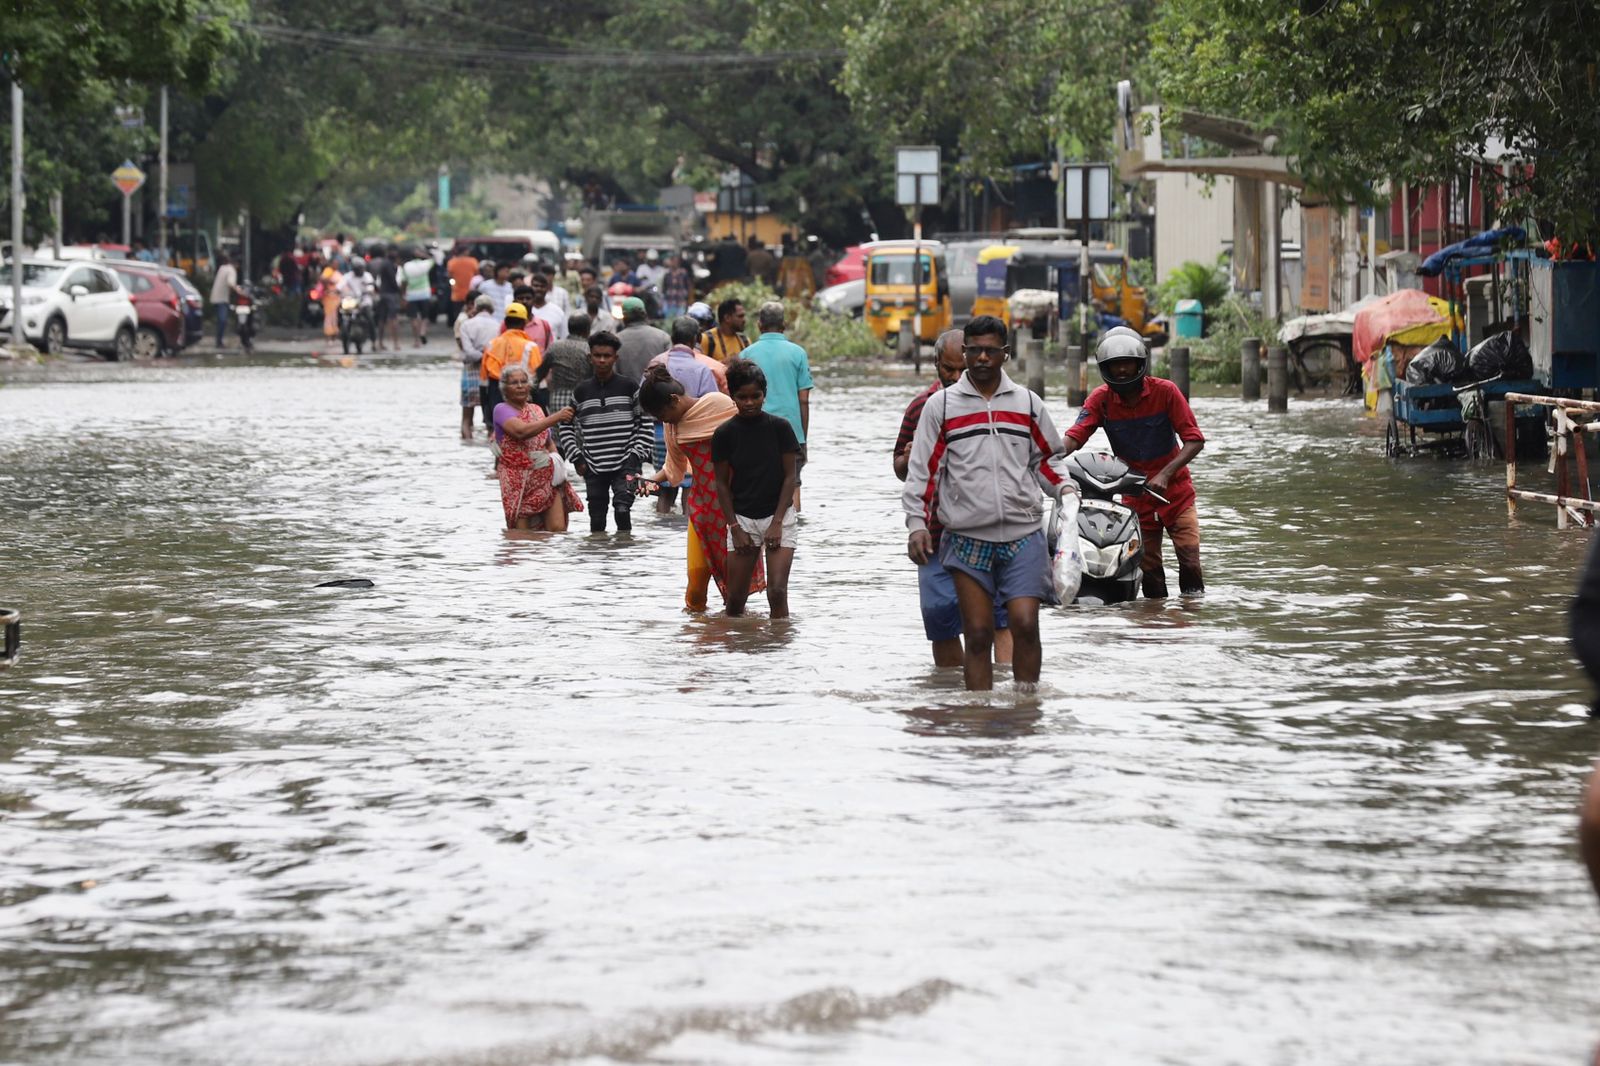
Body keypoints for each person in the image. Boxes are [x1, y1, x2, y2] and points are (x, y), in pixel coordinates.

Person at [901, 315, 1072, 692]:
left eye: (990, 351)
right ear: (965, 353)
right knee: (977, 632)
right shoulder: (940, 407)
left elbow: (1047, 459)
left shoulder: (1028, 403)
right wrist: (916, 524)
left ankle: (1026, 707)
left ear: (1005, 354)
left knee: (1025, 623)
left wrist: (1066, 490)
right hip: (964, 537)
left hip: (1023, 533)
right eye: (974, 350)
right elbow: (923, 472)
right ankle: (977, 716)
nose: (981, 358)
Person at [894, 331, 1014, 668]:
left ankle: (1010, 696)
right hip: (935, 532)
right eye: (948, 369)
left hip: (992, 527)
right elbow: (901, 469)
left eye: (962, 369)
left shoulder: (1003, 403)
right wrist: (908, 458)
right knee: (940, 616)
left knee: (1001, 615)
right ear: (936, 366)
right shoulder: (921, 408)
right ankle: (952, 696)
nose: (955, 377)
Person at [1060, 327, 1206, 598]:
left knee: (1190, 564)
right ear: (1106, 369)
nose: (1123, 370)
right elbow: (1075, 436)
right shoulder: (1100, 400)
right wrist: (1048, 455)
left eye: (1127, 363)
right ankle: (1153, 624)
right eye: (1115, 365)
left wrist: (1165, 474)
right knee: (1149, 572)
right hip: (1136, 498)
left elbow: (1194, 440)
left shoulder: (1166, 392)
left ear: (1140, 364)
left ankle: (1191, 623)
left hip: (1177, 494)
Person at [638, 367, 763, 613]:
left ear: (674, 399)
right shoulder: (673, 428)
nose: (663, 420)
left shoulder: (717, 404)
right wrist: (651, 480)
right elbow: (674, 468)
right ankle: (698, 638)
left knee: (735, 592)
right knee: (695, 590)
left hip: (736, 510)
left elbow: (752, 435)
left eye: (662, 413)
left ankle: (735, 641)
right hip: (702, 512)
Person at [712, 360, 801, 618]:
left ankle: (780, 647)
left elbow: (789, 478)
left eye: (755, 396)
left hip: (780, 516)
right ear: (732, 396)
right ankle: (737, 650)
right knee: (736, 599)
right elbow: (721, 483)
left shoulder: (780, 428)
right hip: (742, 519)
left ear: (764, 395)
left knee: (777, 592)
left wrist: (777, 522)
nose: (749, 402)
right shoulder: (724, 434)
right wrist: (735, 528)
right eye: (742, 397)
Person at [558, 329, 653, 534]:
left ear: (615, 358)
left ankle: (624, 558)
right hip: (593, 465)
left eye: (607, 356)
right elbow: (565, 425)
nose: (602, 360)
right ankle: (599, 561)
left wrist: (636, 455)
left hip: (625, 463)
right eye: (597, 356)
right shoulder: (581, 392)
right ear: (589, 357)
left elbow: (645, 423)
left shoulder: (629, 387)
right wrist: (576, 457)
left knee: (622, 509)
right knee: (597, 520)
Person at [492, 364, 581, 531]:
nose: (520, 386)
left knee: (557, 531)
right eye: (514, 383)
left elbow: (547, 441)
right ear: (504, 388)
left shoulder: (536, 409)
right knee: (521, 537)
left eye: (523, 381)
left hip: (545, 477)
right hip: (517, 481)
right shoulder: (501, 409)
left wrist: (557, 464)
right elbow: (521, 432)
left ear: (530, 385)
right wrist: (556, 417)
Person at [742, 301, 813, 509]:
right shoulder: (798, 353)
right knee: (793, 483)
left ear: (759, 325)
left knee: (756, 483)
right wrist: (803, 437)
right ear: (784, 324)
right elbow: (804, 399)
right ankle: (792, 534)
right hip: (791, 430)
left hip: (753, 430)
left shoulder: (746, 354)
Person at [481, 303, 543, 442]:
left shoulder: (491, 344)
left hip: (495, 400)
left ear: (506, 322)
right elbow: (537, 383)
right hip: (522, 402)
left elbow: (483, 382)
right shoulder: (530, 346)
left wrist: (486, 415)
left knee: (498, 445)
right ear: (524, 323)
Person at [458, 295, 500, 440]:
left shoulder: (467, 325)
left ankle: (467, 444)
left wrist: (480, 356)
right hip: (491, 373)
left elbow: (468, 352)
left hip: (470, 371)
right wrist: (487, 357)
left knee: (466, 418)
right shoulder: (498, 325)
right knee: (492, 419)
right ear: (492, 309)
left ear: (476, 307)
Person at [540, 311, 595, 413]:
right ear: (587, 330)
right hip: (584, 399)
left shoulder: (555, 347)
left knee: (559, 428)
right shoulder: (589, 350)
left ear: (569, 328)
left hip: (557, 400)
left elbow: (539, 374)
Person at [615, 296, 670, 382]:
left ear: (624, 317)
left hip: (625, 394)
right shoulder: (663, 337)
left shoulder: (615, 340)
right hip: (656, 392)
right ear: (645, 314)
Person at [701, 298, 749, 365]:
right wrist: (723, 363)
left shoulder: (745, 341)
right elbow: (699, 368)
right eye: (740, 316)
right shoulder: (707, 339)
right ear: (727, 318)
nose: (744, 320)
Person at [402, 246, 434, 346]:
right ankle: (422, 332)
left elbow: (404, 281)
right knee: (424, 317)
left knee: (413, 318)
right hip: (424, 294)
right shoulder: (424, 264)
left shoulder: (406, 266)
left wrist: (403, 295)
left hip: (411, 295)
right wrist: (423, 254)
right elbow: (433, 260)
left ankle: (416, 341)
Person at [371, 247, 402, 352]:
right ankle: (395, 343)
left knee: (382, 319)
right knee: (393, 319)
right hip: (390, 294)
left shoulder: (383, 264)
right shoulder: (389, 265)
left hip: (383, 293)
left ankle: (379, 343)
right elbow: (393, 280)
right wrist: (399, 291)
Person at [526, 272, 568, 346]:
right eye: (536, 286)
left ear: (547, 288)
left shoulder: (557, 311)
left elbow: (564, 337)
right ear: (530, 287)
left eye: (542, 286)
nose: (539, 289)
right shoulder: (524, 310)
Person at [209, 253, 239, 348]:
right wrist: (239, 290)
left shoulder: (222, 268)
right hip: (222, 299)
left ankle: (219, 340)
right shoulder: (231, 270)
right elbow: (230, 283)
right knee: (222, 320)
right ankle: (219, 342)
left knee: (220, 320)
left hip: (215, 297)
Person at [447, 245, 479, 322]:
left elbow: (449, 276)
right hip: (471, 293)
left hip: (457, 293)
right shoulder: (473, 261)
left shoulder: (452, 262)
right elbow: (477, 274)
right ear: (465, 251)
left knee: (458, 314)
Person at [662, 254, 692, 318]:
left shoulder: (683, 273)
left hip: (681, 302)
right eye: (672, 261)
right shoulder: (667, 274)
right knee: (669, 322)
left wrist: (689, 300)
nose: (674, 263)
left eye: (676, 261)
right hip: (669, 302)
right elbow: (664, 288)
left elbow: (689, 286)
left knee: (680, 321)